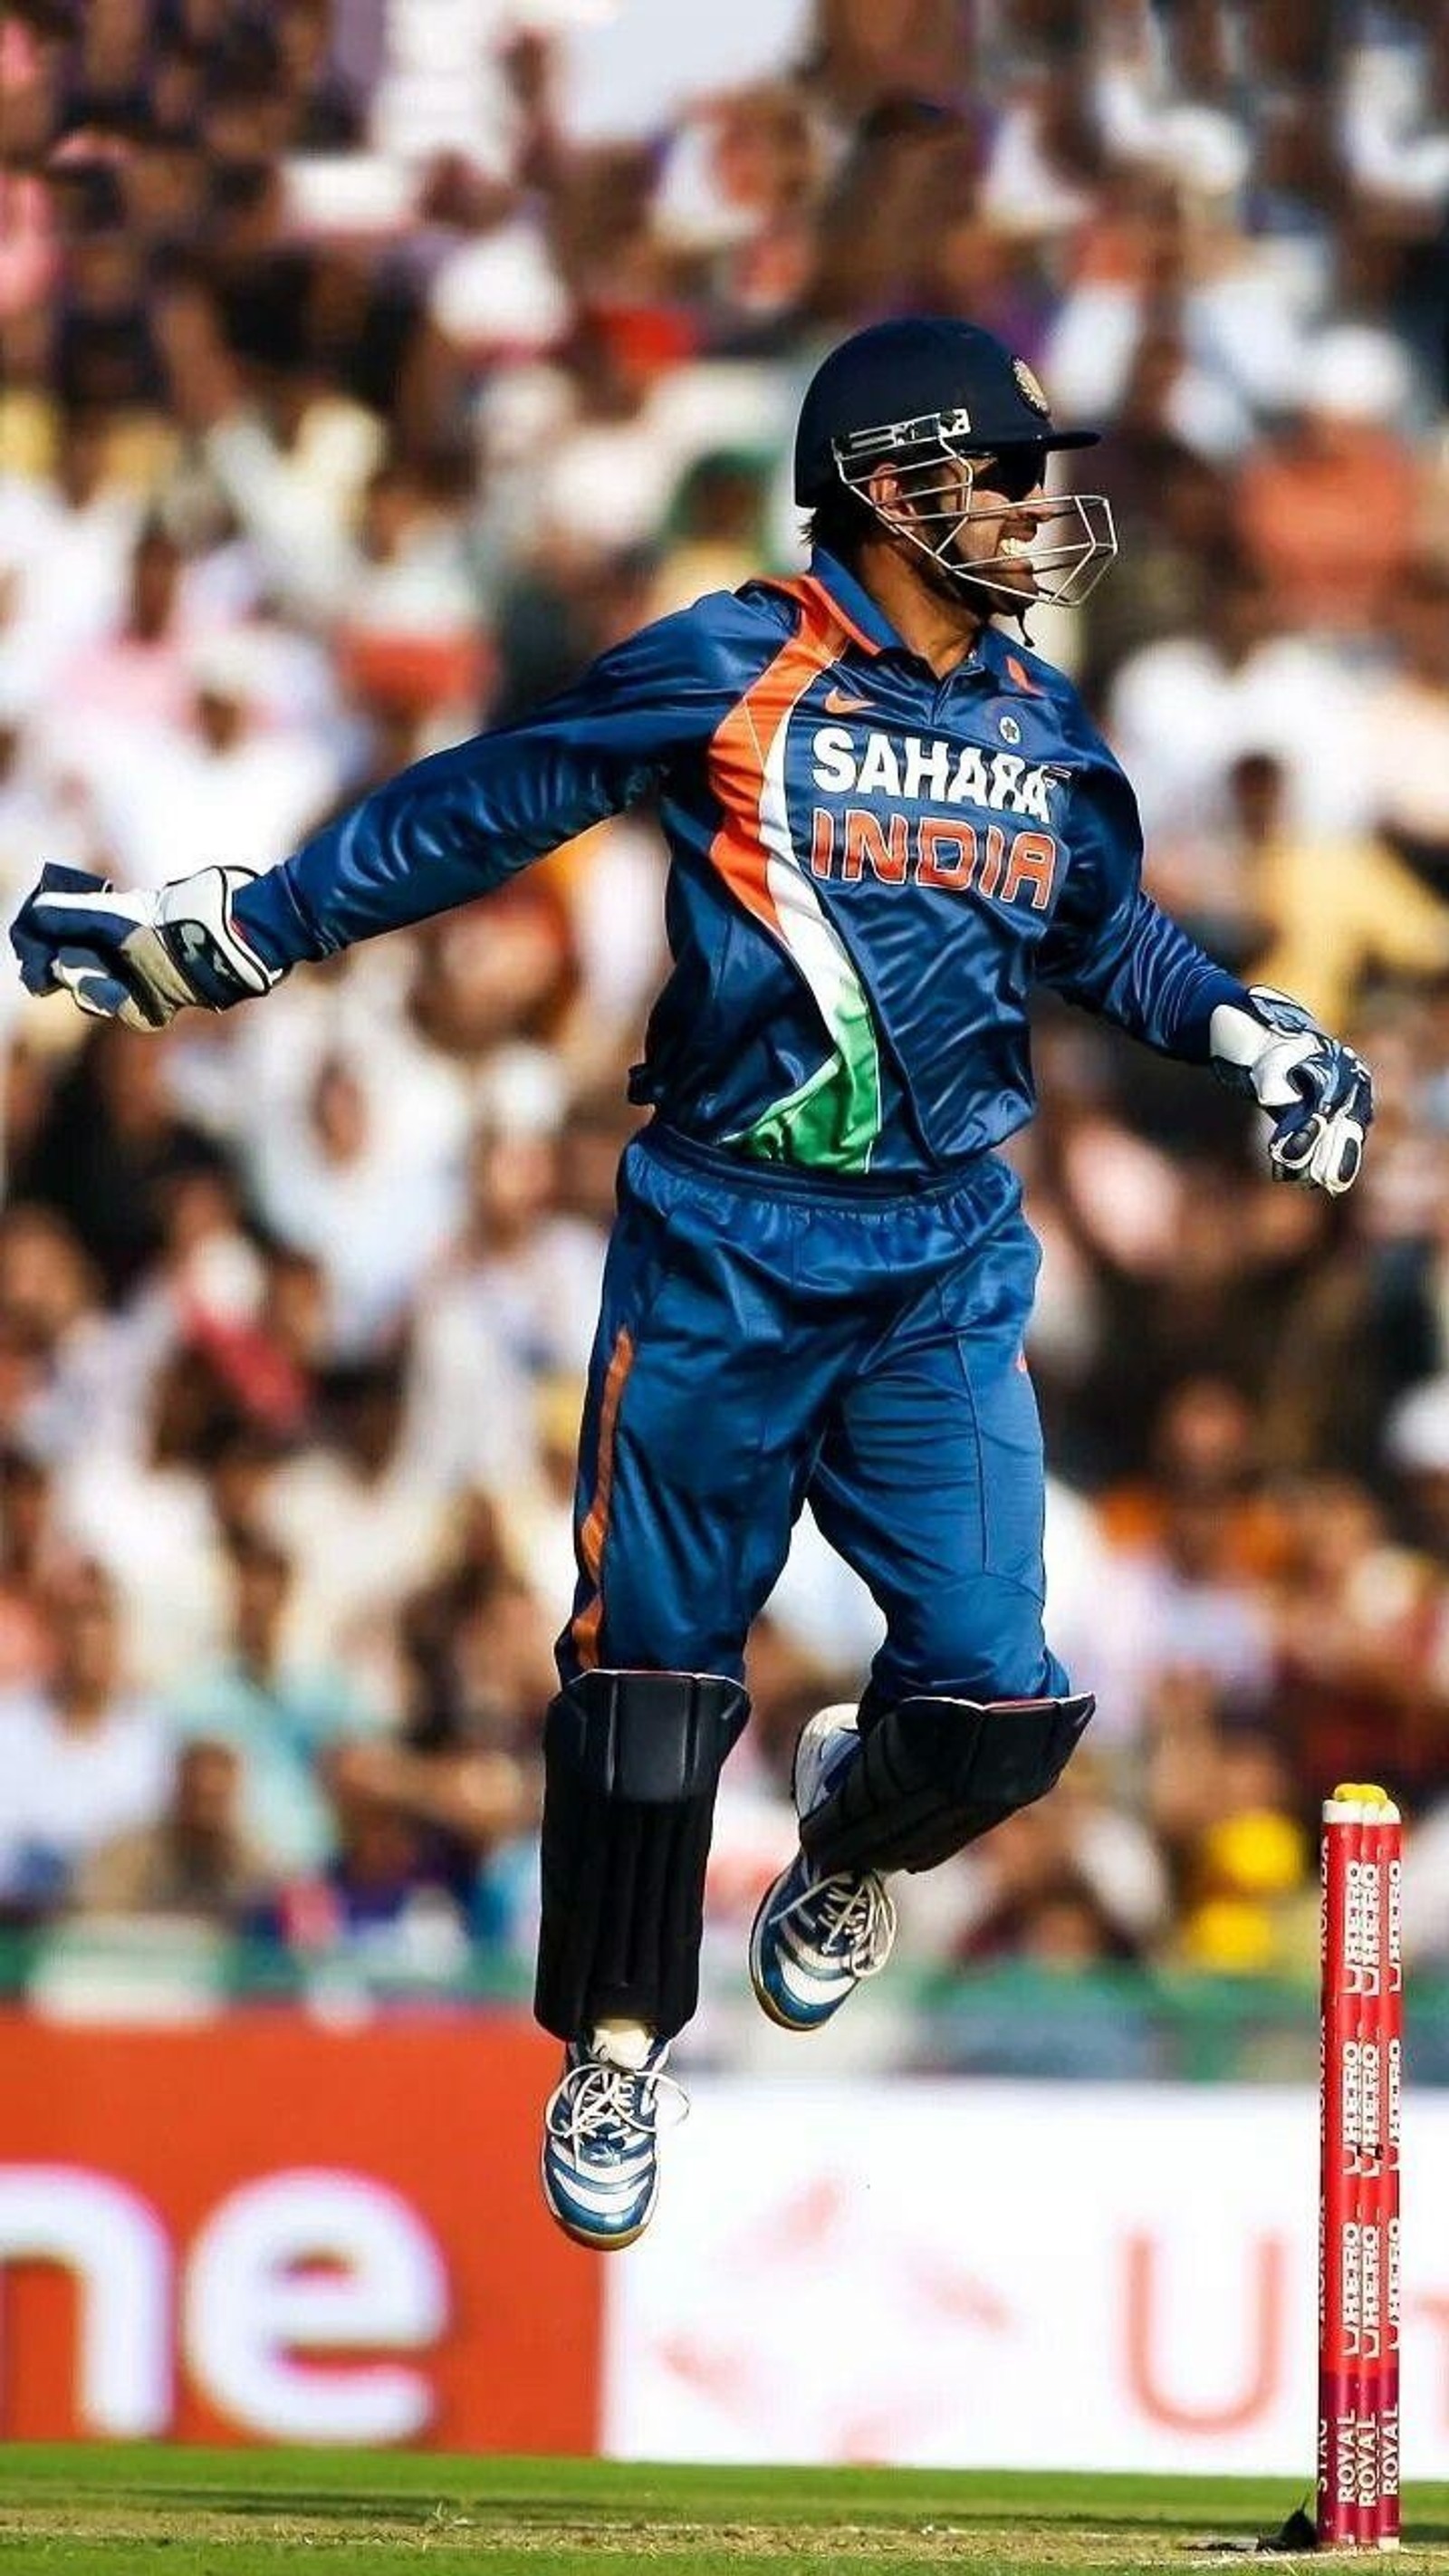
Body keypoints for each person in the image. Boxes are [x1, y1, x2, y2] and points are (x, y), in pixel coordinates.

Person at [10, 317, 1373, 2250]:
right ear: (894, 482)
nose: (1030, 507)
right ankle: (617, 2053)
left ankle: (845, 1844)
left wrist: (1246, 1034)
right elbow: (488, 796)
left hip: (938, 1260)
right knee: (649, 1686)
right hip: (721, 1240)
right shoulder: (736, 663)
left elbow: (1105, 933)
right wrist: (252, 927)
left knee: (992, 1711)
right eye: (996, 471)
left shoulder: (1038, 723)